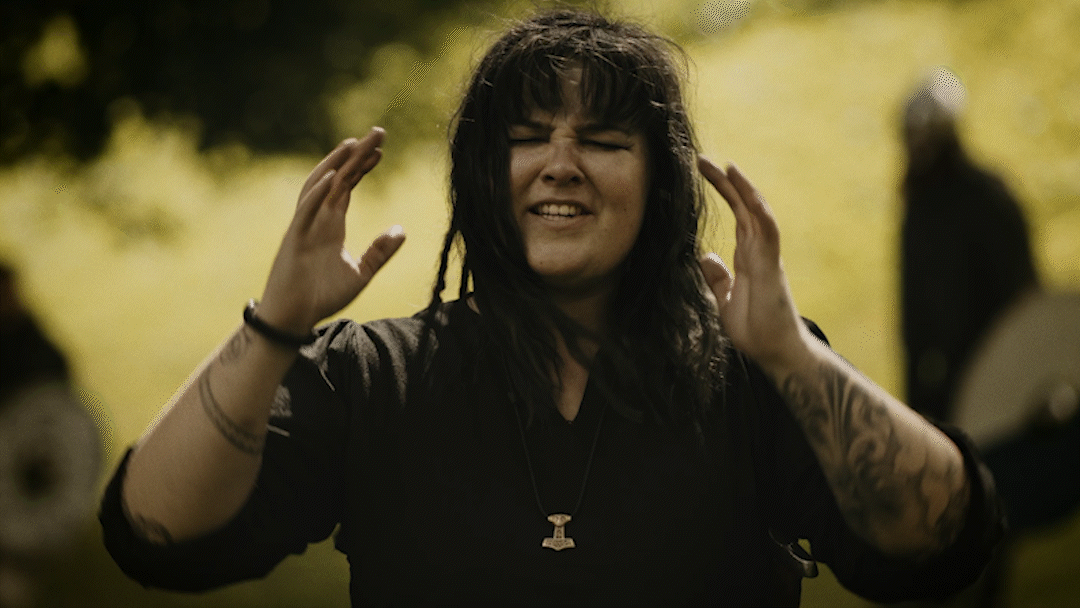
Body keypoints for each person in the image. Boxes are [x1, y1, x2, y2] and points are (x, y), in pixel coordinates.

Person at [100, 10, 1003, 606]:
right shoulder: (370, 376)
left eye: (604, 140)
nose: (560, 163)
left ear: (661, 186)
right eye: (527, 139)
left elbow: (944, 540)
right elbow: (154, 534)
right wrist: (274, 331)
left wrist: (791, 356)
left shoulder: (748, 370)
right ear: (482, 179)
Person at [899, 67, 1039, 424]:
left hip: (980, 379)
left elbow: (918, 327)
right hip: (1004, 369)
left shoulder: (928, 215)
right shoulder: (990, 193)